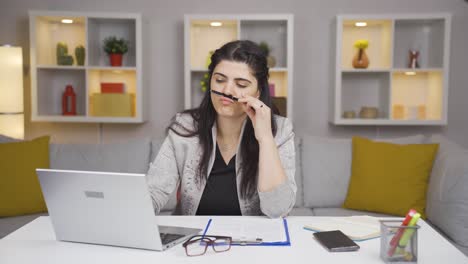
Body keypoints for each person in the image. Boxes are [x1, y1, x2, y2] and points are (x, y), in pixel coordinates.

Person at [146, 40, 296, 218]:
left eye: (241, 84)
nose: (227, 90)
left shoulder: (281, 130)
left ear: (257, 93)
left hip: (253, 242)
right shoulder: (184, 126)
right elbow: (153, 192)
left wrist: (265, 138)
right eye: (219, 80)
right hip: (194, 241)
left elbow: (278, 210)